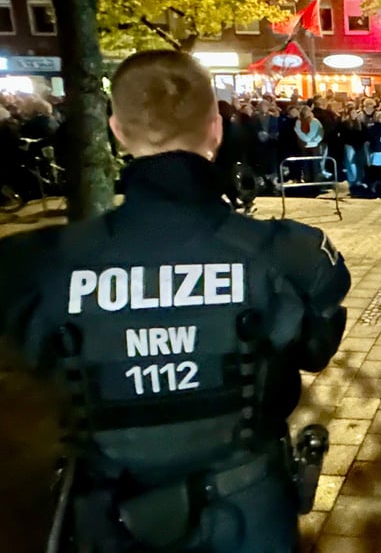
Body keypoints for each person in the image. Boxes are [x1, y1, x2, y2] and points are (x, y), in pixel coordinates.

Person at [0, 51, 350, 552]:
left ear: (116, 131)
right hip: (247, 512)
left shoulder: (36, 265)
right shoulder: (290, 255)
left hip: (108, 519)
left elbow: (32, 362)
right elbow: (315, 350)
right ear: (215, 128)